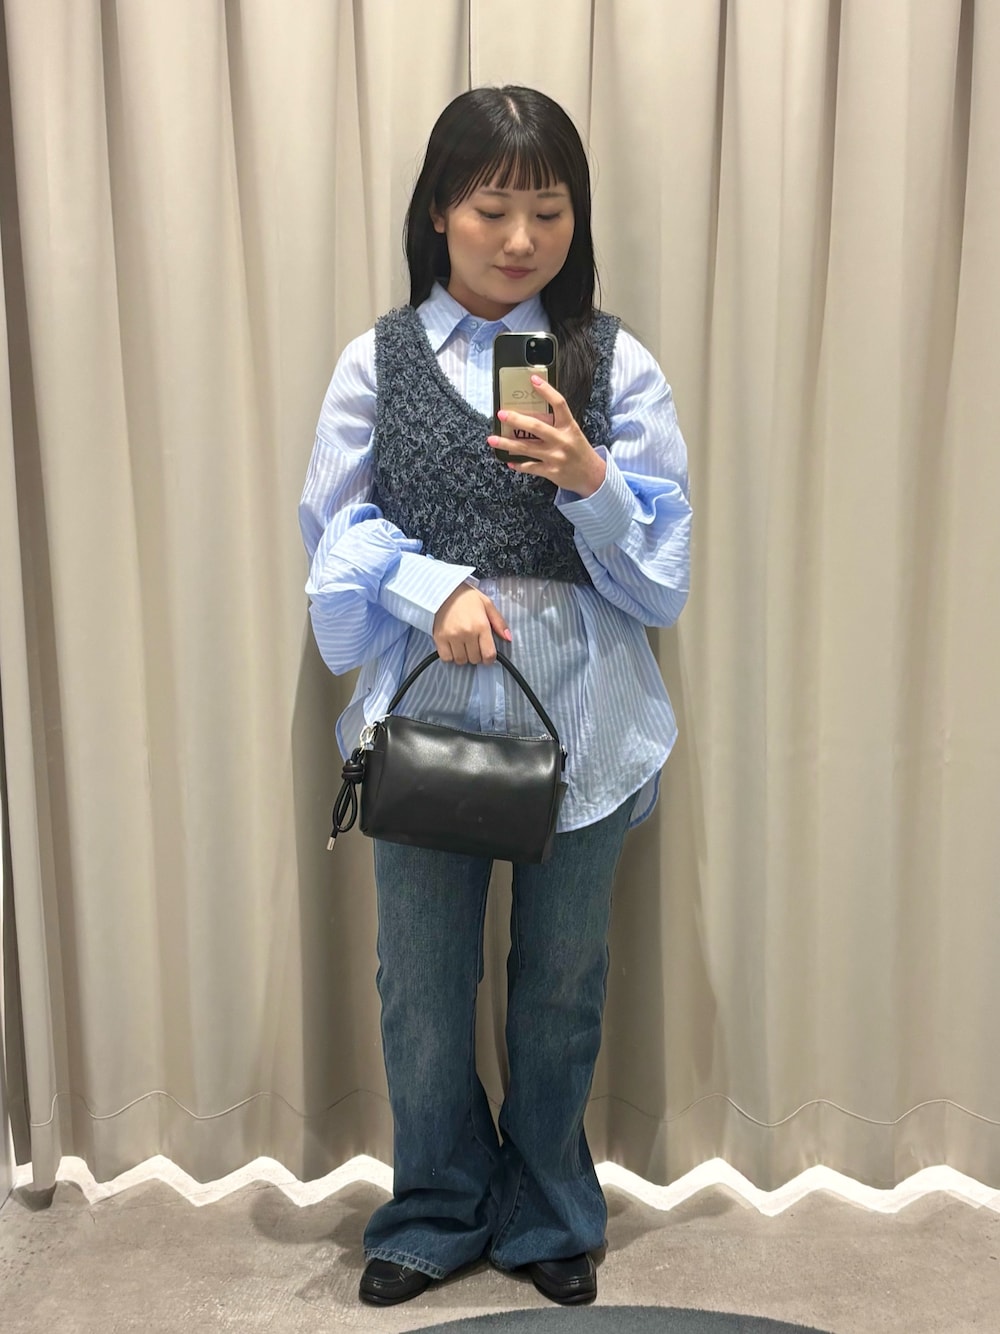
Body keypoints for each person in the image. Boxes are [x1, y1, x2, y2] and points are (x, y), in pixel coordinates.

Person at [299, 85, 691, 1308]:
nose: (521, 239)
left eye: (549, 210)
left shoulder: (615, 362)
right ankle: (432, 1205)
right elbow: (332, 539)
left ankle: (548, 1209)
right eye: (491, 208)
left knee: (561, 985)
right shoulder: (377, 360)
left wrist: (591, 480)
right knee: (419, 986)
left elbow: (662, 578)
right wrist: (431, 587)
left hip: (588, 725)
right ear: (438, 212)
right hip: (427, 723)